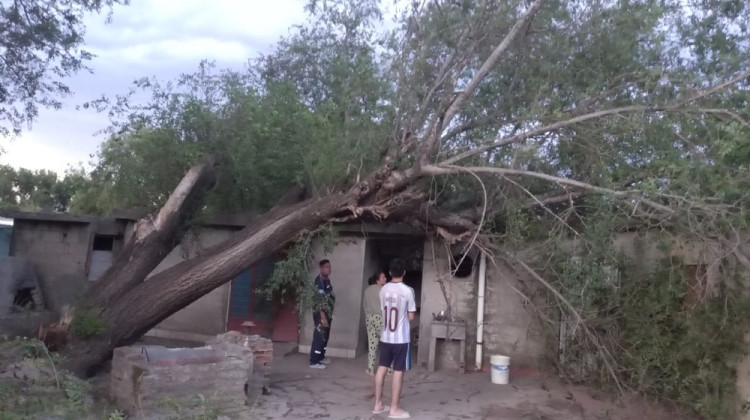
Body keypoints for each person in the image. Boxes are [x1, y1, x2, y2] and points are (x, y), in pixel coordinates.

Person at [373, 258, 416, 419]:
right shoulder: (407, 291)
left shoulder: (382, 290)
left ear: (390, 273)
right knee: (398, 371)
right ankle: (394, 409)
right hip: (400, 339)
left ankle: (378, 404)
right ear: (404, 272)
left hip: (385, 337)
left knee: (382, 367)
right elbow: (411, 316)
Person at [309, 259, 335, 369]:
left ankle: (321, 356)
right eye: (326, 267)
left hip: (328, 313)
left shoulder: (326, 280)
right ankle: (314, 361)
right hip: (321, 314)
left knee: (325, 336)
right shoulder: (318, 281)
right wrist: (323, 316)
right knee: (319, 336)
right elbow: (319, 301)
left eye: (329, 267)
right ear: (321, 268)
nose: (329, 269)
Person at [364, 271, 387, 375]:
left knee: (372, 344)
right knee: (386, 344)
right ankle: (389, 369)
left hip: (369, 318)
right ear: (378, 280)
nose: (385, 278)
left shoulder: (367, 290)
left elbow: (364, 305)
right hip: (380, 318)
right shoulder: (383, 290)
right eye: (383, 277)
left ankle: (370, 369)